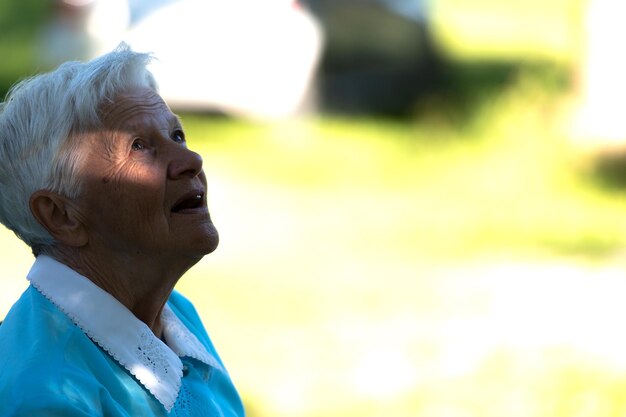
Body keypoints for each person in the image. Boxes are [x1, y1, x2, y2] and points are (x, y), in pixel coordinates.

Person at [0, 44, 245, 416]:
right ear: (61, 215)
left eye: (177, 135)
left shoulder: (172, 314)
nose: (191, 161)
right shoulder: (45, 395)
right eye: (140, 146)